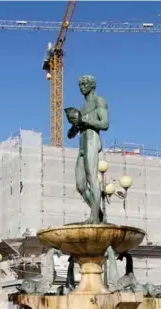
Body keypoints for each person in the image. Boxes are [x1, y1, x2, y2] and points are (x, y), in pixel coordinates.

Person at [65, 75, 109, 224]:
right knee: (80, 184)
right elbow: (74, 131)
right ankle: (98, 213)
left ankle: (94, 218)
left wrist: (83, 120)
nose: (81, 87)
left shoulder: (99, 101)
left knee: (91, 178)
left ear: (92, 85)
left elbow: (104, 124)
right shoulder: (82, 108)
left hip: (92, 140)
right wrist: (73, 128)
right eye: (80, 85)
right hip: (82, 144)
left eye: (84, 84)